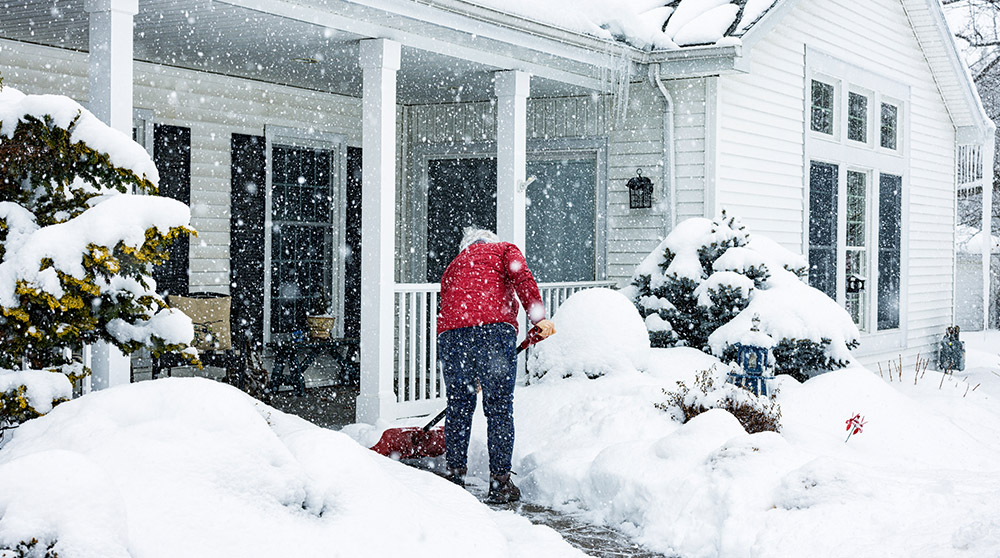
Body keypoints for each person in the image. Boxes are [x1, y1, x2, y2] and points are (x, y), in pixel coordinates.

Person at [436, 227, 556, 503]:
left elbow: (449, 304)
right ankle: (500, 483)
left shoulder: (455, 264)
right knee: (499, 408)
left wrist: (465, 355)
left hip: (452, 337)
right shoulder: (503, 250)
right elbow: (523, 278)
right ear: (490, 241)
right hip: (493, 333)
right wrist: (538, 319)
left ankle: (454, 476)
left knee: (459, 406)